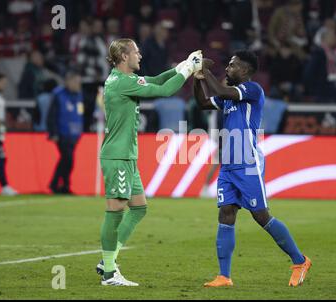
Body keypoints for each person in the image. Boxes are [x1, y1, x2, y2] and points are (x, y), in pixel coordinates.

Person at [193, 50, 311, 288]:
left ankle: (300, 261)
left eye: (232, 65)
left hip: (247, 163)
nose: (227, 68)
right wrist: (197, 78)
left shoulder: (252, 90)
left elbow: (222, 90)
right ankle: (224, 276)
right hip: (228, 164)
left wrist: (205, 71)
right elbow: (204, 103)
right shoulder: (229, 97)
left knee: (261, 216)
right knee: (226, 213)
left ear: (245, 71)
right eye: (227, 65)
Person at [96, 38, 203, 286]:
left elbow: (155, 81)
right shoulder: (122, 83)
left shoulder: (124, 79)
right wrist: (188, 70)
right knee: (115, 211)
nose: (140, 56)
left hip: (127, 156)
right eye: (136, 52)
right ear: (124, 56)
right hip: (118, 156)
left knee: (139, 207)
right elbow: (164, 91)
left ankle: (107, 261)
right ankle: (110, 273)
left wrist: (183, 65)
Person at [47, 71, 84, 194]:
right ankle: (65, 186)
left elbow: (80, 113)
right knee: (68, 160)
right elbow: (51, 115)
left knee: (65, 160)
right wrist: (53, 133)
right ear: (68, 81)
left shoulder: (79, 95)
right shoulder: (58, 94)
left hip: (74, 134)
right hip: (62, 133)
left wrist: (80, 131)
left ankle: (55, 184)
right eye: (76, 82)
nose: (78, 84)